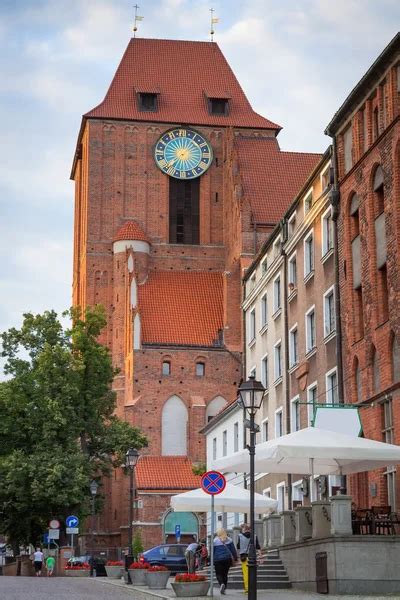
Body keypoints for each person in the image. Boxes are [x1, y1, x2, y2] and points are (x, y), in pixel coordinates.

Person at [237, 523, 261, 593]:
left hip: (244, 557)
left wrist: (238, 557)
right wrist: (260, 556)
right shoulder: (254, 536)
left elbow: (238, 547)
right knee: (253, 573)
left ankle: (247, 588)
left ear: (244, 529)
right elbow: (258, 547)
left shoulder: (240, 536)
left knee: (245, 573)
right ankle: (253, 588)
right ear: (250, 529)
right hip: (253, 558)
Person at [213, 528, 237, 594]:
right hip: (227, 559)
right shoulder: (229, 539)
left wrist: (211, 560)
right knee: (225, 574)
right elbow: (233, 550)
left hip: (218, 559)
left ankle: (221, 584)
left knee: (218, 574)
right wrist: (235, 558)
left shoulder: (215, 540)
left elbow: (212, 551)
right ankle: (224, 588)